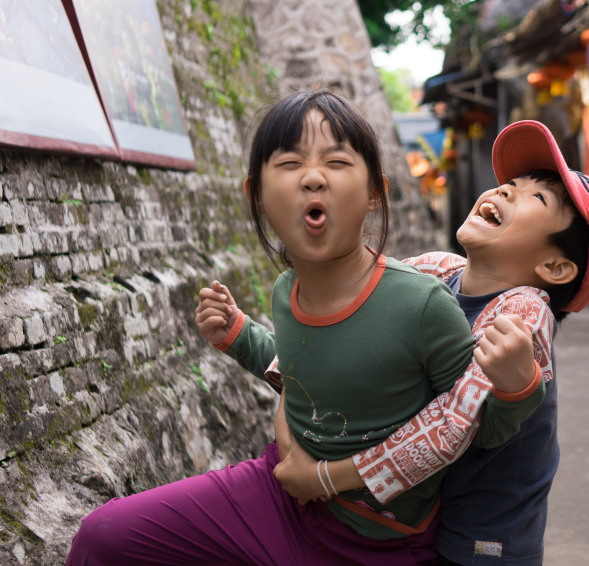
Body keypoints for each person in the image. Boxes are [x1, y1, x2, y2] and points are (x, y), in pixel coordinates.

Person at [66, 89, 536, 566]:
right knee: (102, 538)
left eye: (336, 162)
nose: (313, 177)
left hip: (379, 542)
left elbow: (474, 426)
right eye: (290, 163)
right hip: (277, 498)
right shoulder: (285, 290)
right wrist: (237, 334)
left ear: (375, 193)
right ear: (257, 195)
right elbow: (304, 375)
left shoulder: (422, 305)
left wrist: (518, 385)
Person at [263, 119, 589, 566]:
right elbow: (360, 307)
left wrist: (325, 478)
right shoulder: (440, 270)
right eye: (512, 183)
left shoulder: (524, 315)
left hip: (486, 541)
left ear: (554, 268)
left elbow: (450, 422)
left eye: (537, 197)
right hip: (432, 517)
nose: (506, 190)